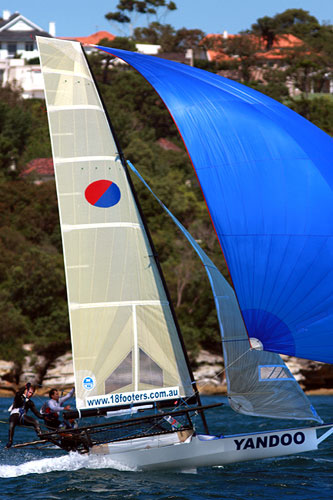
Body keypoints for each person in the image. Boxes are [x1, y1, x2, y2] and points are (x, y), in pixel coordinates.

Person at [6, 383, 44, 449]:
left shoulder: (30, 403)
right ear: (25, 391)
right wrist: (25, 387)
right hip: (15, 415)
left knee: (35, 422)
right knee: (12, 424)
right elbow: (18, 393)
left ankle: (41, 435)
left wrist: (45, 417)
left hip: (22, 417)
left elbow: (37, 414)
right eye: (29, 392)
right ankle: (10, 441)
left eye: (32, 393)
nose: (31, 394)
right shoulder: (19, 396)